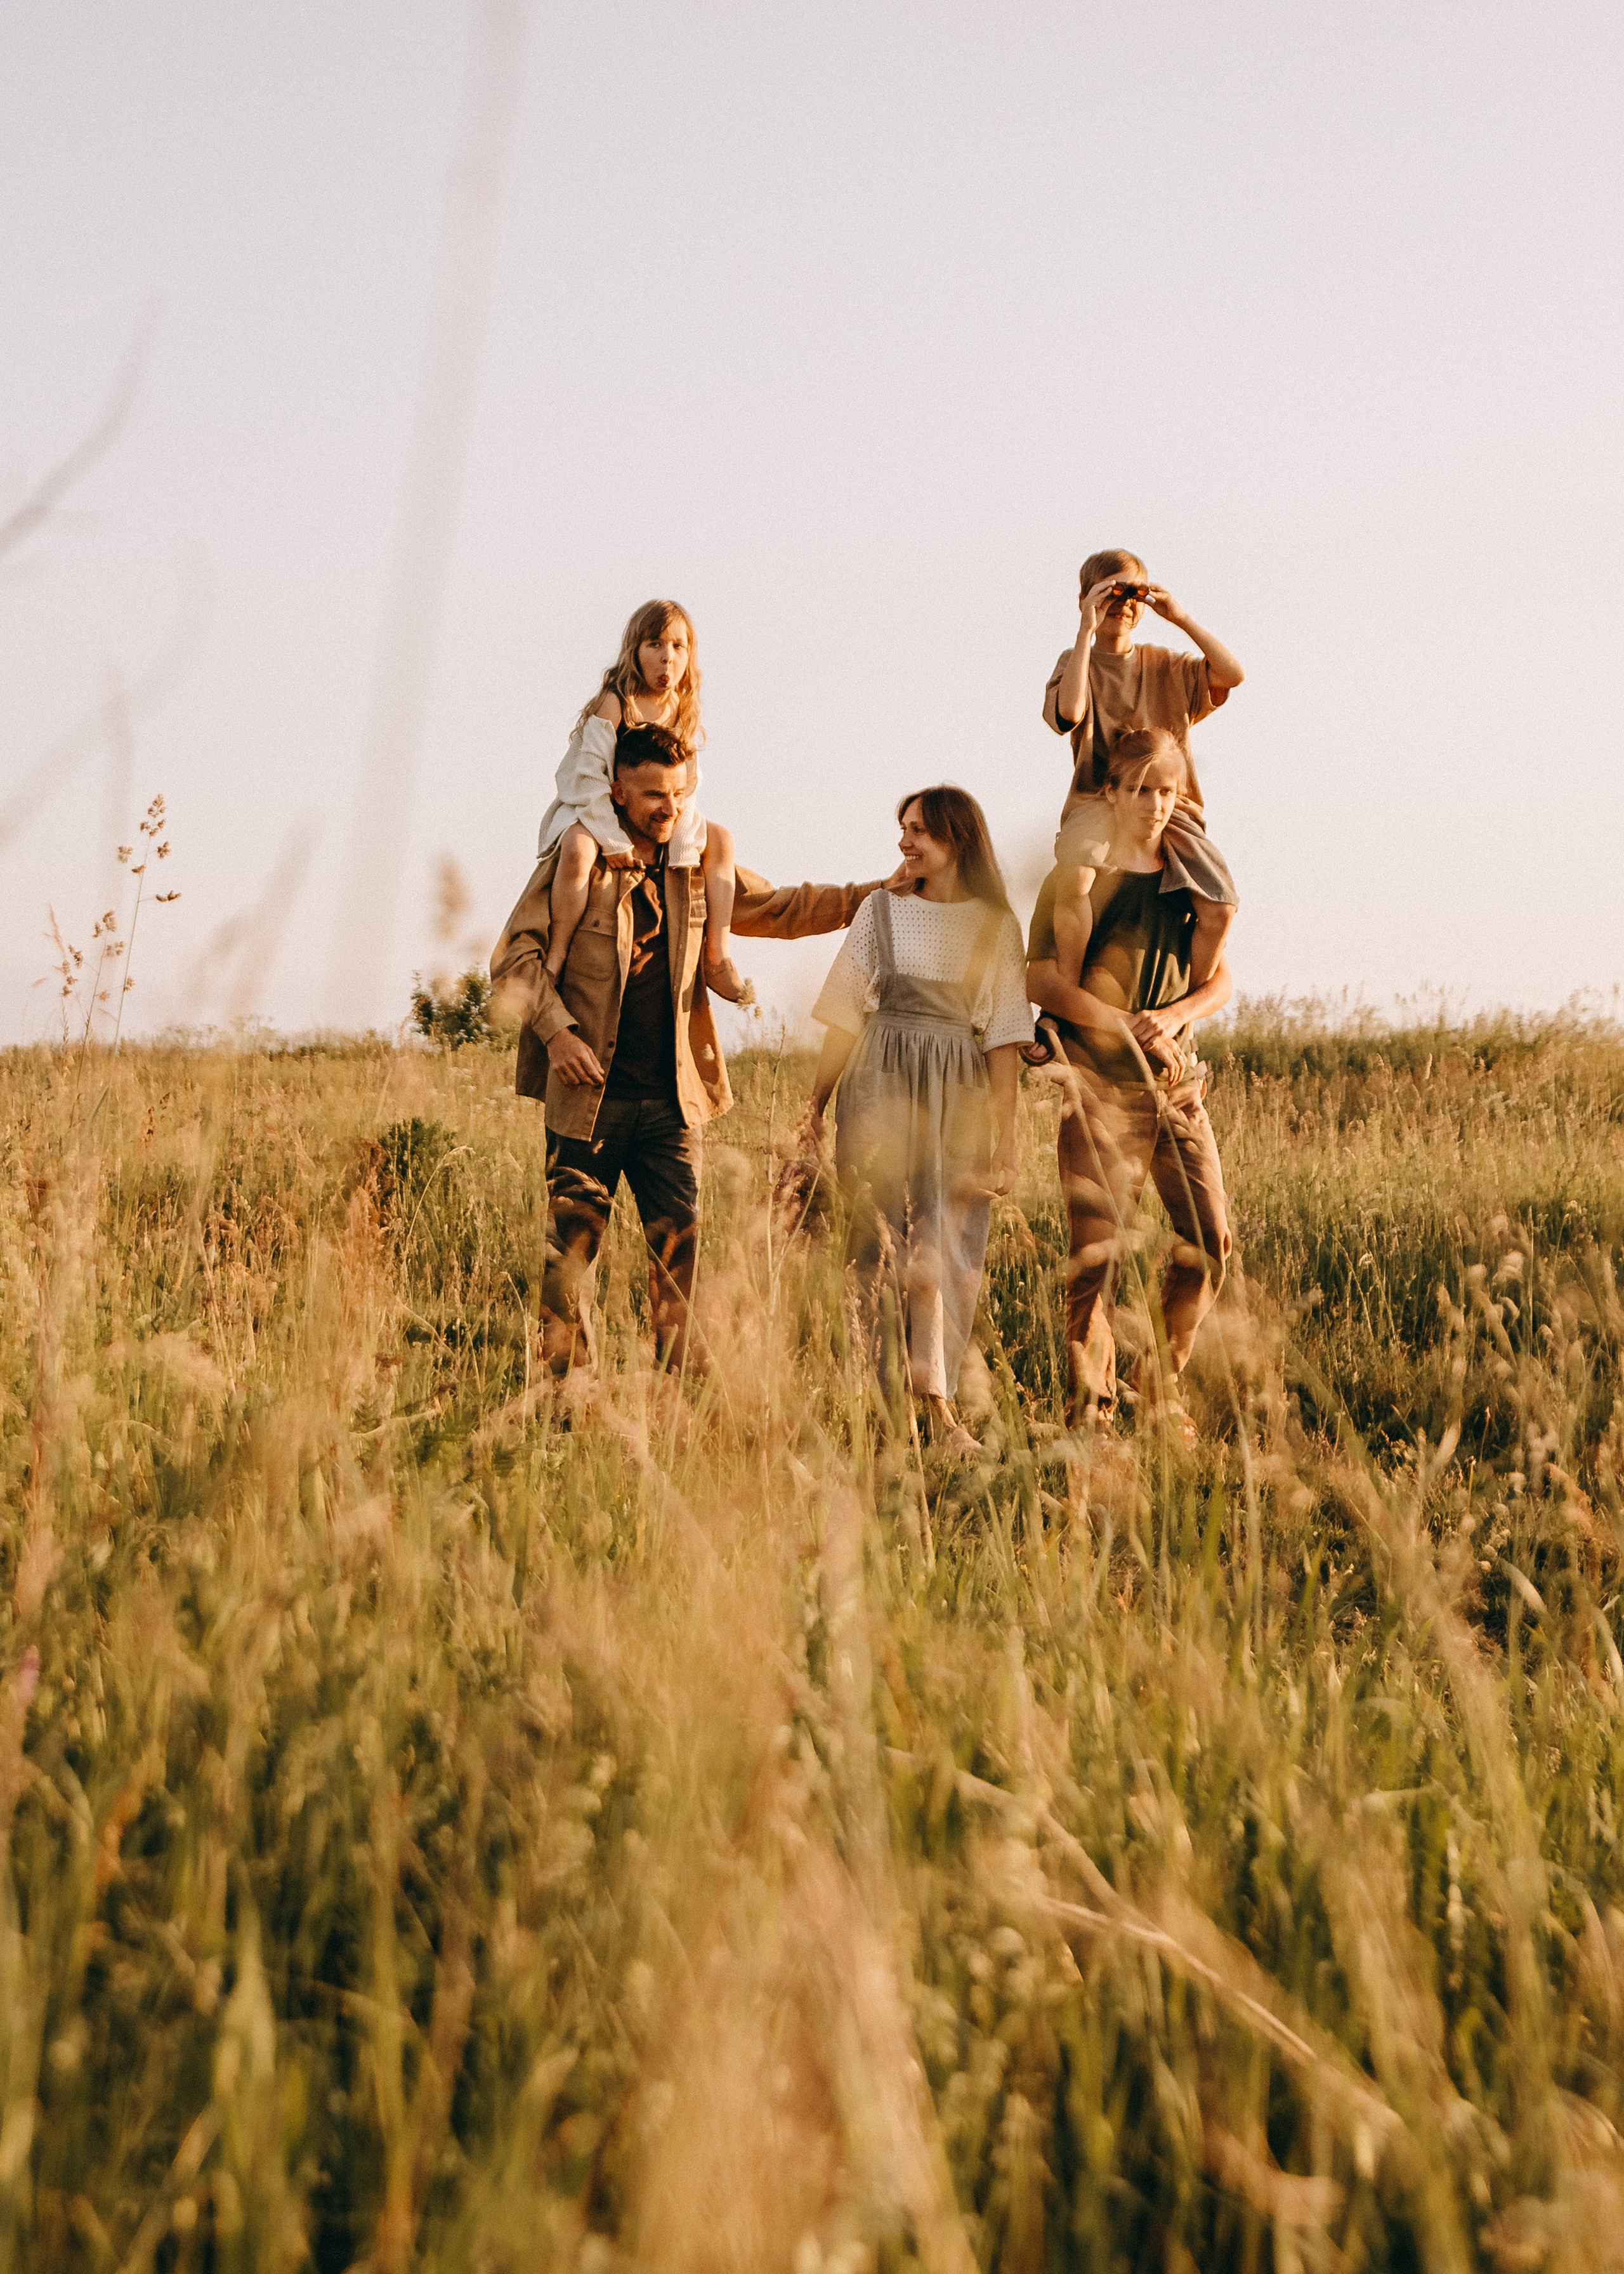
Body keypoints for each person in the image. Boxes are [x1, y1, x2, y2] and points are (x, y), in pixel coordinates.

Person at [493, 721, 887, 1372]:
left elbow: (782, 908)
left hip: (673, 1106)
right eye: (653, 794)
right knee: (568, 1263)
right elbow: (515, 957)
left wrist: (876, 894)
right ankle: (564, 1404)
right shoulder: (581, 859)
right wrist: (557, 1032)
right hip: (588, 1102)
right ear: (618, 791)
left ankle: (678, 1402)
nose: (668, 807)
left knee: (680, 1266)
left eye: (677, 793)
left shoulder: (695, 862)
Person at [805, 787, 1033, 1455]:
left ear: (956, 840)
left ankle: (935, 1406)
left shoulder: (996, 925)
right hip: (878, 1084)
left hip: (957, 1094)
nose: (904, 841)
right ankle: (886, 1414)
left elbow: (1004, 1040)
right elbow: (844, 1014)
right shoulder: (879, 910)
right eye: (902, 829)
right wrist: (815, 1104)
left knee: (946, 1246)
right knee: (876, 1243)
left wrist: (1007, 1141)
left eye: (919, 831)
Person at [1025, 728, 1234, 1441]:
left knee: (1210, 1239)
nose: (1153, 804)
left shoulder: (1189, 880)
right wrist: (1121, 1024)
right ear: (1111, 792)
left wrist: (1170, 1018)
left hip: (1177, 1087)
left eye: (1165, 791)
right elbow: (1041, 979)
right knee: (1097, 1258)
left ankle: (1158, 1388)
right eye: (1139, 789)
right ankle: (1092, 1417)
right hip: (1098, 1088)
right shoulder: (1078, 876)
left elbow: (1221, 981)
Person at [1042, 548, 1245, 1002]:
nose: (1122, 604)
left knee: (1220, 905)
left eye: (1132, 595)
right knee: (1076, 878)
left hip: (1169, 805)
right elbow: (1069, 713)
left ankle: (1185, 1005)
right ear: (1085, 599)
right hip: (1100, 800)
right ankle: (1068, 994)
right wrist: (1086, 630)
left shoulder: (1165, 664)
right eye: (1110, 594)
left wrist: (1181, 618)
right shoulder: (1075, 662)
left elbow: (1232, 675)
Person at [537, 598, 752, 1005]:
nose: (667, 657)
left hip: (656, 812)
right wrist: (611, 839)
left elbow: (686, 786)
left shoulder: (681, 709)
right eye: (655, 644)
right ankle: (558, 952)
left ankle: (718, 957)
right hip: (597, 808)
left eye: (678, 646)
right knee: (579, 849)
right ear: (635, 651)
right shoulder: (617, 702)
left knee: (722, 840)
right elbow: (588, 778)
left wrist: (681, 845)